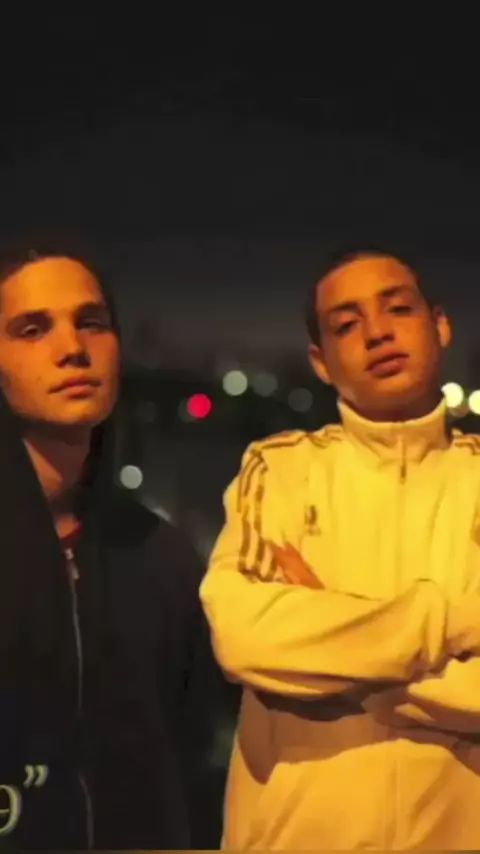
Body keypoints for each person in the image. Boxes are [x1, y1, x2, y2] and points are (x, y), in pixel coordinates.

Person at [200, 248, 480, 850]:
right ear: (320, 362)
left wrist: (336, 649)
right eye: (347, 325)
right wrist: (455, 620)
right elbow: (244, 635)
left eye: (397, 309)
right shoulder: (281, 469)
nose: (377, 333)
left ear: (440, 325)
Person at [0, 244, 220, 850]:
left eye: (91, 322)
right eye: (33, 329)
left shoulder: (161, 557)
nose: (72, 348)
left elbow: (193, 756)